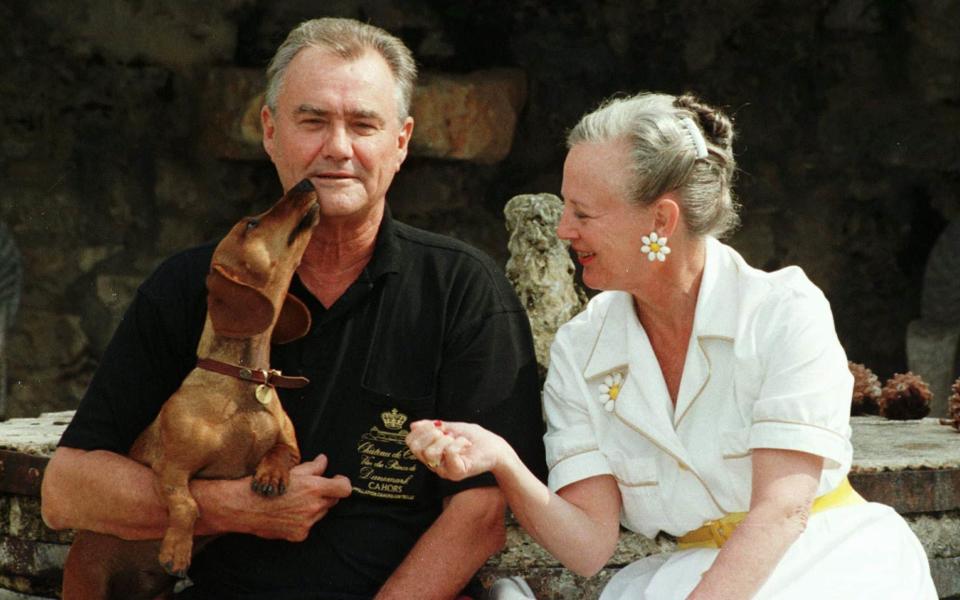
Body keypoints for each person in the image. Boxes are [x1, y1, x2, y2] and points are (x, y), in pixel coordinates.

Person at [40, 17, 546, 600]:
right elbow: (67, 489)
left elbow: (479, 517)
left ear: (401, 142)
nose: (337, 147)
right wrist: (230, 508)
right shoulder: (190, 286)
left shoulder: (464, 291)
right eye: (313, 120)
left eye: (363, 124)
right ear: (269, 130)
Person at [406, 91, 938, 599]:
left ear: (661, 219)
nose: (565, 229)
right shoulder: (581, 346)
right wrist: (502, 460)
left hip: (826, 563)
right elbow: (589, 546)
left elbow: (782, 511)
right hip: (681, 575)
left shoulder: (784, 311)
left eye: (584, 213)